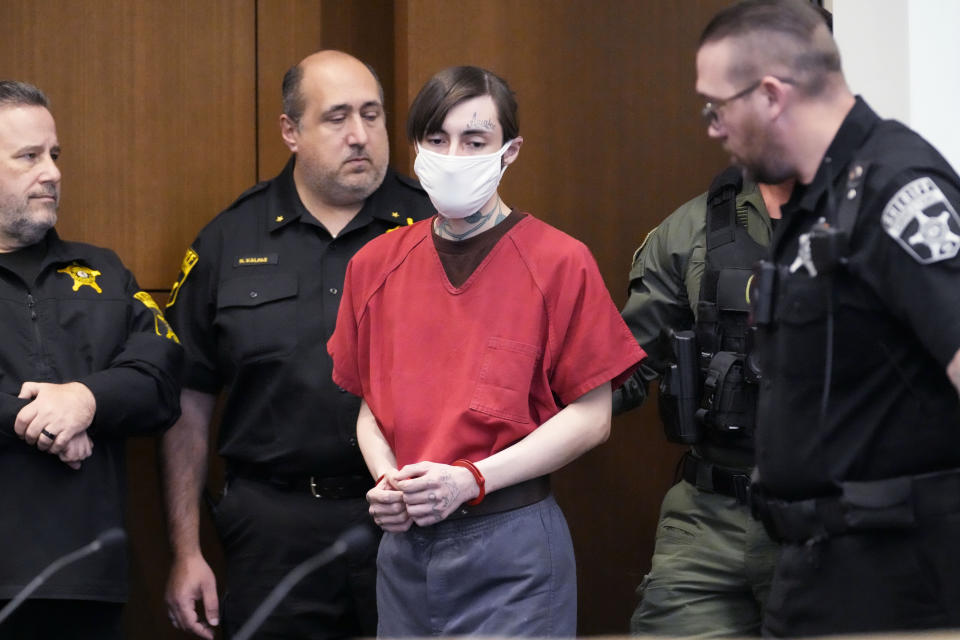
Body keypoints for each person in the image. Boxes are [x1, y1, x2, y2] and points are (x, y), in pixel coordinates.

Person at [328, 65, 645, 637]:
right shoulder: (374, 265)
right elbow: (370, 405)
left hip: (511, 546)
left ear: (509, 150)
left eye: (475, 141)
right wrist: (388, 480)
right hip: (404, 550)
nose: (454, 156)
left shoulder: (557, 260)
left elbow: (594, 417)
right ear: (416, 149)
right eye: (436, 140)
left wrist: (471, 480)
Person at [695, 0, 960, 635]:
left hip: (899, 579)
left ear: (769, 95)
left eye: (716, 107)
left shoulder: (896, 189)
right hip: (818, 567)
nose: (711, 127)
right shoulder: (821, 199)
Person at [161, 51, 433, 639]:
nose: (360, 136)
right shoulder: (229, 238)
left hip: (414, 520)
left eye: (372, 114)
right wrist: (186, 550)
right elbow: (188, 398)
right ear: (291, 131)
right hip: (273, 527)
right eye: (337, 117)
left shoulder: (437, 228)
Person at [0, 80, 182, 639]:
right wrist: (43, 422)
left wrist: (85, 400)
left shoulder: (103, 272)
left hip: (87, 582)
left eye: (54, 155)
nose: (51, 172)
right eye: (28, 157)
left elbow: (162, 374)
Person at [617, 170, 791, 636]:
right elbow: (623, 371)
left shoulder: (877, 219)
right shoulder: (692, 227)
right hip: (708, 515)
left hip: (833, 524)